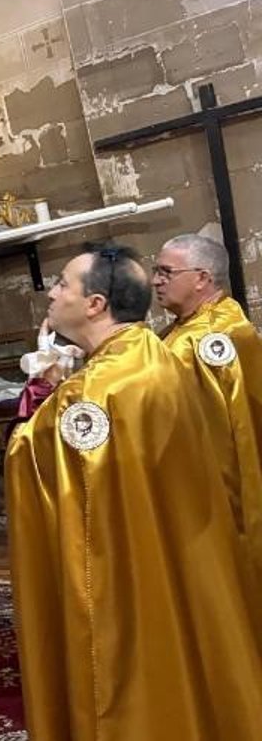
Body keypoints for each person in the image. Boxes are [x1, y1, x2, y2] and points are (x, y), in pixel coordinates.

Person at [6, 245, 262, 741]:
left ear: (95, 304)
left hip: (126, 568)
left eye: (62, 284)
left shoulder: (91, 394)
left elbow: (30, 457)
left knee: (129, 670)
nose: (51, 294)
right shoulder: (154, 353)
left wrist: (42, 394)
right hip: (180, 542)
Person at [153, 233, 262, 581]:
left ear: (202, 278)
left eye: (166, 272)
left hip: (218, 491)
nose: (156, 281)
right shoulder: (191, 325)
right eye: (156, 271)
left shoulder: (209, 338)